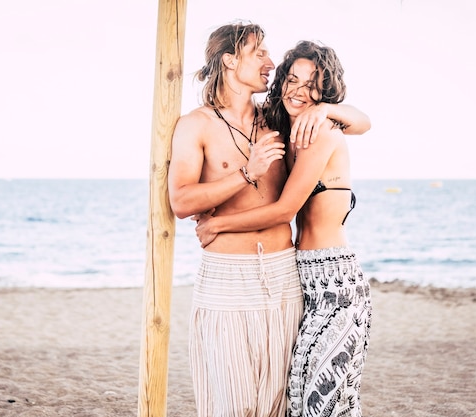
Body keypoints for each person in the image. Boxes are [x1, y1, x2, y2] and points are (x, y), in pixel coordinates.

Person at [168, 22, 370, 417]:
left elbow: (360, 123)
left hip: (284, 277)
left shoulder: (277, 120)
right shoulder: (197, 124)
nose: (270, 62)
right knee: (232, 405)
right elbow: (181, 201)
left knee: (283, 405)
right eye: (259, 52)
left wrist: (328, 108)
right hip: (227, 279)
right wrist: (247, 172)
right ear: (229, 60)